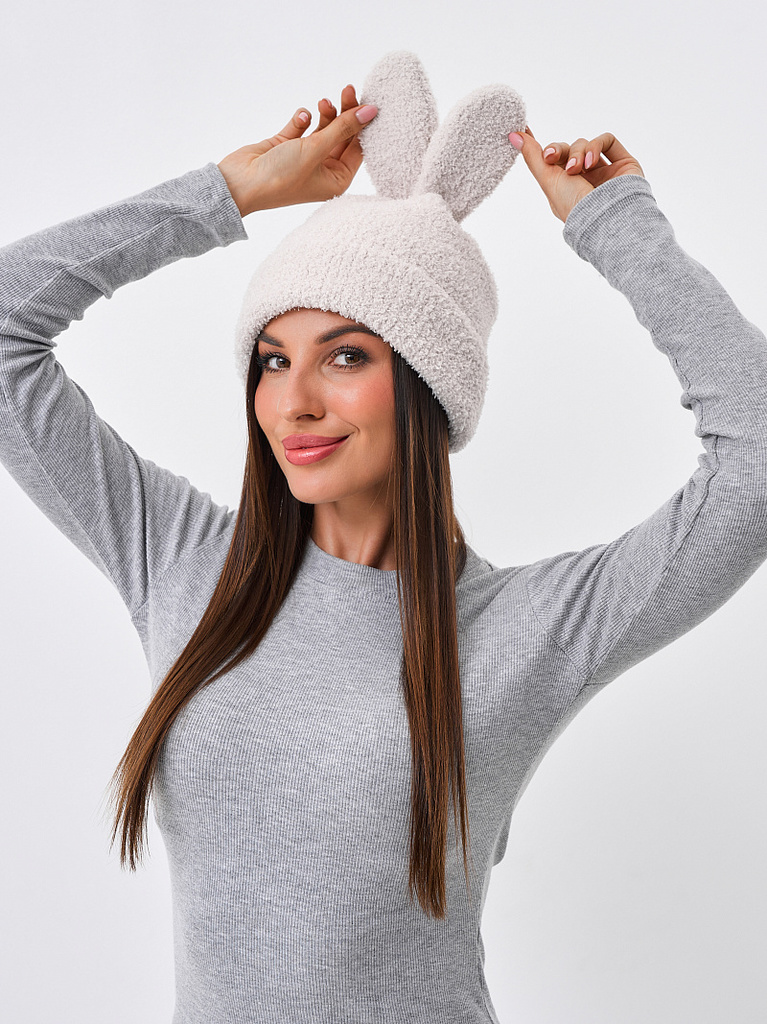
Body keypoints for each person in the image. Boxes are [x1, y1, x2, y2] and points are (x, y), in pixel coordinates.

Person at [1, 49, 765, 1024]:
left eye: (345, 357)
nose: (293, 400)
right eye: (271, 360)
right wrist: (230, 193)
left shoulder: (529, 629)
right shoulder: (181, 558)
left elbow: (755, 459)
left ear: (425, 381)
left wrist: (617, 225)